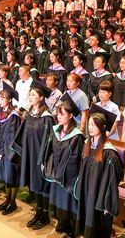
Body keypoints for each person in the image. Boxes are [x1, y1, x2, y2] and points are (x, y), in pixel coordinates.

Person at [74, 107, 124, 238]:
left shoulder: (109, 153)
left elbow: (113, 180)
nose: (90, 128)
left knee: (98, 227)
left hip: (99, 197)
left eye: (94, 125)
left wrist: (107, 202)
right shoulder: (87, 145)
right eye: (89, 124)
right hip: (87, 193)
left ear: (103, 127)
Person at [11, 82, 55, 230]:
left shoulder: (46, 118)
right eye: (29, 95)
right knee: (35, 184)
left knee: (42, 185)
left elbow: (49, 140)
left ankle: (45, 215)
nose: (30, 97)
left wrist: (43, 158)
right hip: (30, 154)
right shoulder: (30, 114)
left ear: (41, 98)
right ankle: (39, 211)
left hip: (41, 156)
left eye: (33, 95)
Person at [40, 93, 85, 238]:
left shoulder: (76, 136)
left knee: (68, 204)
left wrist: (61, 174)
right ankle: (62, 225)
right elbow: (49, 151)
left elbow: (74, 159)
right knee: (58, 202)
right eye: (58, 114)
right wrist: (50, 170)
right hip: (56, 174)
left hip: (68, 178)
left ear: (71, 116)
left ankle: (71, 232)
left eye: (62, 114)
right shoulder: (55, 131)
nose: (58, 117)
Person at [0, 85, 22, 215]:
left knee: (11, 177)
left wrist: (2, 152)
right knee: (5, 177)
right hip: (0, 151)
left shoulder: (13, 116)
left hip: (10, 153)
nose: (0, 100)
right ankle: (7, 200)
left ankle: (12, 202)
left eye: (3, 98)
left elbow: (12, 137)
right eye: (0, 98)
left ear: (9, 100)